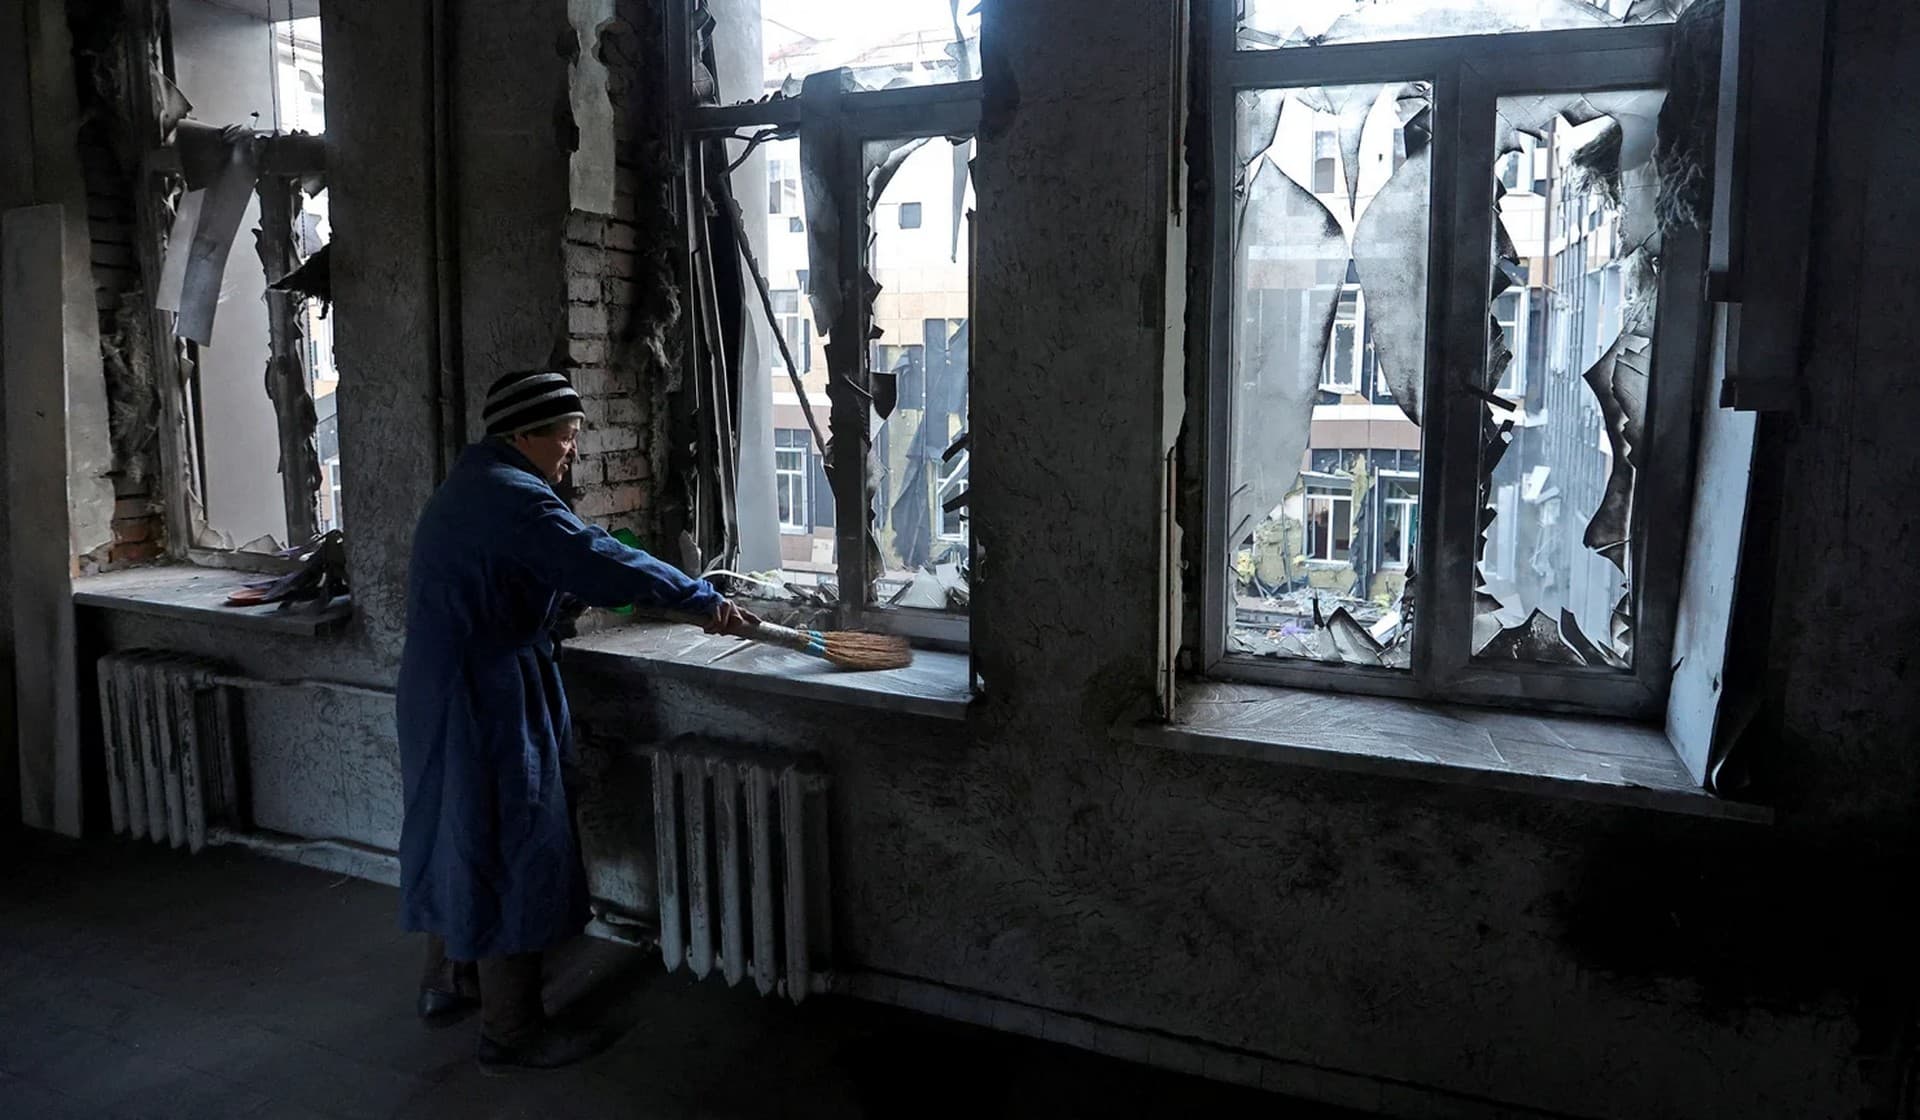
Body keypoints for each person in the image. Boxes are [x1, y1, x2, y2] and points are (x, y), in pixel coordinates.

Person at [396, 369, 757, 1075]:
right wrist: (696, 595)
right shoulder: (516, 499)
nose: (571, 449)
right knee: (511, 845)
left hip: (440, 687)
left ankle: (449, 982)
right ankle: (511, 1031)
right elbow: (596, 559)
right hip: (488, 696)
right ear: (525, 432)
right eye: (565, 435)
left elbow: (519, 573)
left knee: (453, 832)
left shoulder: (471, 484)